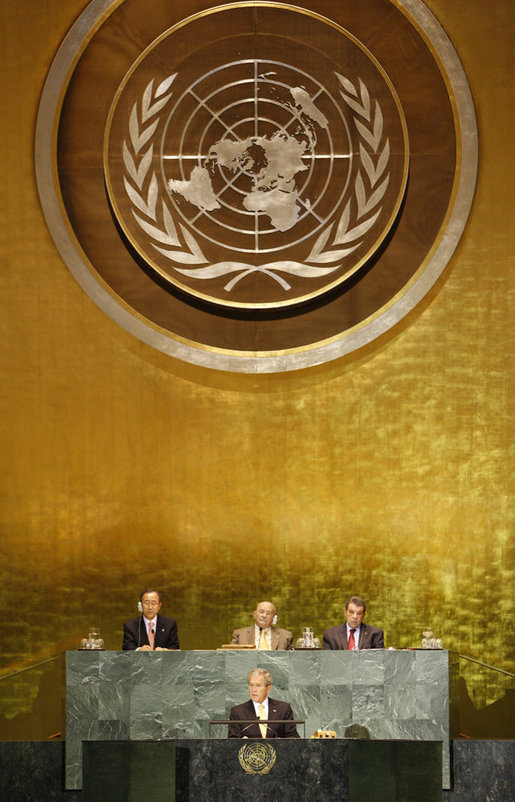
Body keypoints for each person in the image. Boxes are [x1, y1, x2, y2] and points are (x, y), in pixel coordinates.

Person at [228, 668, 300, 738]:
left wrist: (281, 743)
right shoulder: (238, 712)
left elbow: (293, 737)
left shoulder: (283, 709)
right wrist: (240, 743)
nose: (253, 690)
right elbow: (231, 741)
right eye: (251, 685)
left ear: (268, 688)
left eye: (258, 685)